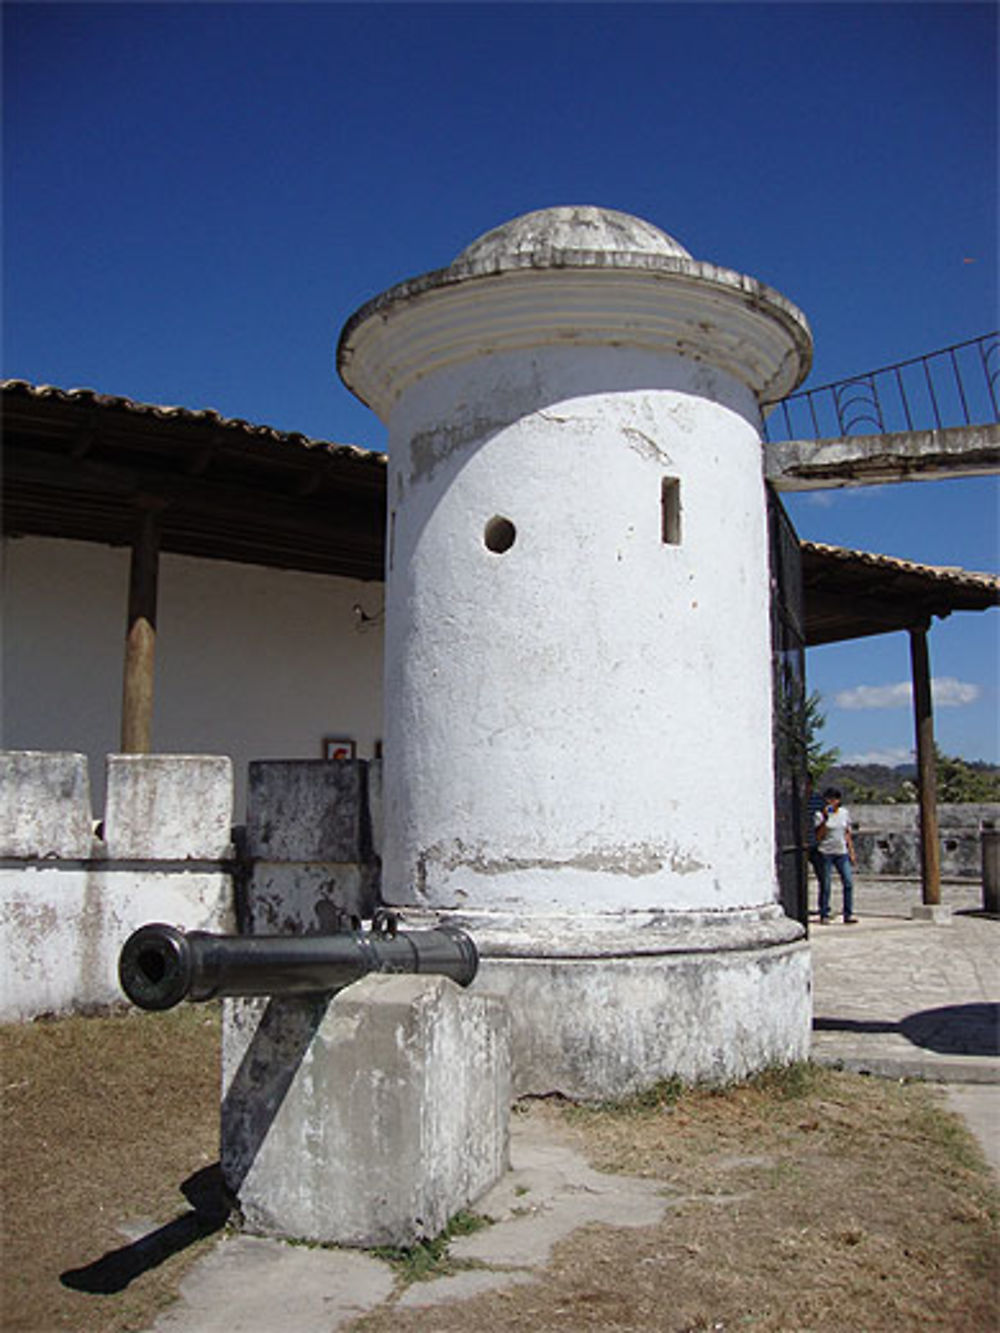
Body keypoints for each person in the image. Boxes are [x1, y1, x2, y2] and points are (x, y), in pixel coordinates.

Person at [814, 787, 858, 924]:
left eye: (835, 799)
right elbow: (818, 835)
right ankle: (824, 912)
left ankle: (848, 913)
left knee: (848, 882)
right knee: (826, 884)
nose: (832, 802)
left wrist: (851, 852)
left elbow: (847, 833)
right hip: (825, 851)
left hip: (841, 851)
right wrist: (825, 819)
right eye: (830, 799)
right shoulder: (820, 815)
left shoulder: (844, 813)